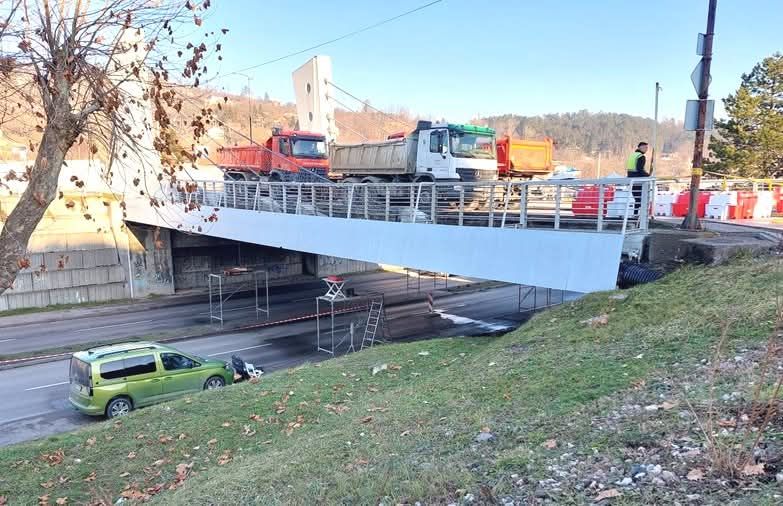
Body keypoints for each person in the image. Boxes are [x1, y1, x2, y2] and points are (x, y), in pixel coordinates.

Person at [626, 142, 650, 216]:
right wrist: (647, 175)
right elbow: (640, 169)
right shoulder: (641, 156)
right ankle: (640, 215)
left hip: (631, 178)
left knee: (637, 198)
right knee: (641, 198)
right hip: (638, 179)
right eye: (645, 148)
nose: (646, 149)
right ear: (640, 147)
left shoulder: (632, 155)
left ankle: (635, 214)